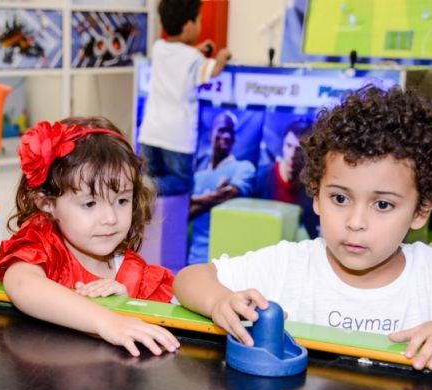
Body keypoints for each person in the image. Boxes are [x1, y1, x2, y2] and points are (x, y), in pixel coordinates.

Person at [174, 85, 432, 371]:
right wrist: (220, 300)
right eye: (340, 198)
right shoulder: (289, 264)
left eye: (383, 205)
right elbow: (190, 278)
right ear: (317, 197)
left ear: (420, 210)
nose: (355, 222)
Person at [0, 116, 180, 357]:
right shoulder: (44, 247)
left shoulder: (136, 273)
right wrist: (107, 321)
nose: (110, 217)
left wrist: (128, 303)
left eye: (121, 200)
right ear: (47, 203)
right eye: (89, 204)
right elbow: (22, 284)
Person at [137, 0, 231, 196]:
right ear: (189, 27)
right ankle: (146, 188)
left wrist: (196, 49)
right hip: (176, 137)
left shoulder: (158, 48)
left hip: (150, 133)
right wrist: (223, 55)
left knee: (149, 176)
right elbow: (213, 71)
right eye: (198, 21)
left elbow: (177, 55)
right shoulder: (192, 58)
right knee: (182, 182)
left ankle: (144, 187)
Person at [188, 110, 256, 264]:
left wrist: (193, 200)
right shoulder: (197, 176)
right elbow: (183, 215)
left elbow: (228, 195)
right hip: (195, 257)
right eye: (222, 130)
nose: (226, 136)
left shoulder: (244, 168)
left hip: (228, 260)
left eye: (231, 132)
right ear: (210, 134)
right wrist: (214, 198)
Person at [254, 118, 319, 238]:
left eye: (299, 149)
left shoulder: (314, 188)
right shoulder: (261, 177)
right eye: (288, 146)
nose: (292, 155)